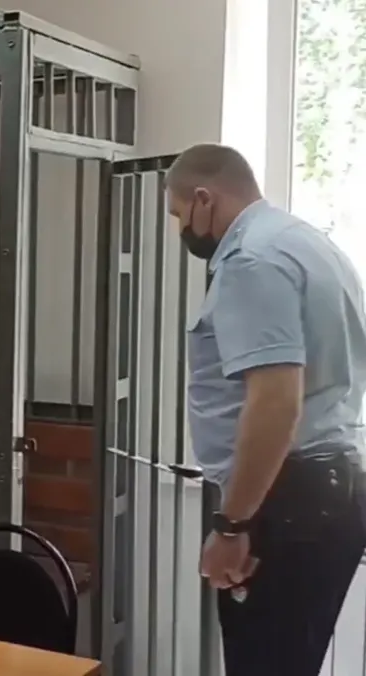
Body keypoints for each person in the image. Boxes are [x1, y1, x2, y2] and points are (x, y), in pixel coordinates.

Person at [167, 143, 366, 676]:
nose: (181, 229)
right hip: (330, 489)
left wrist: (232, 525)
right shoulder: (310, 244)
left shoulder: (251, 260)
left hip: (285, 502)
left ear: (204, 199)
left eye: (179, 214)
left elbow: (276, 400)